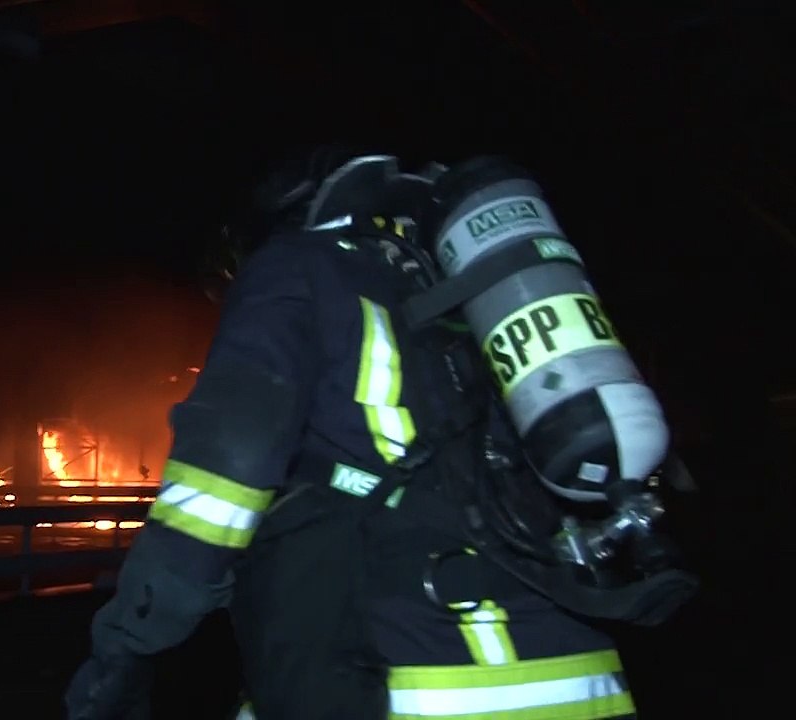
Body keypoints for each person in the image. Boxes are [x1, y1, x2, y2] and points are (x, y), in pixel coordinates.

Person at [64, 150, 695, 720]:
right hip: (582, 677)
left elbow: (221, 477)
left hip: (422, 683)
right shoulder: (456, 302)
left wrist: (126, 644)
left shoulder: (295, 265)